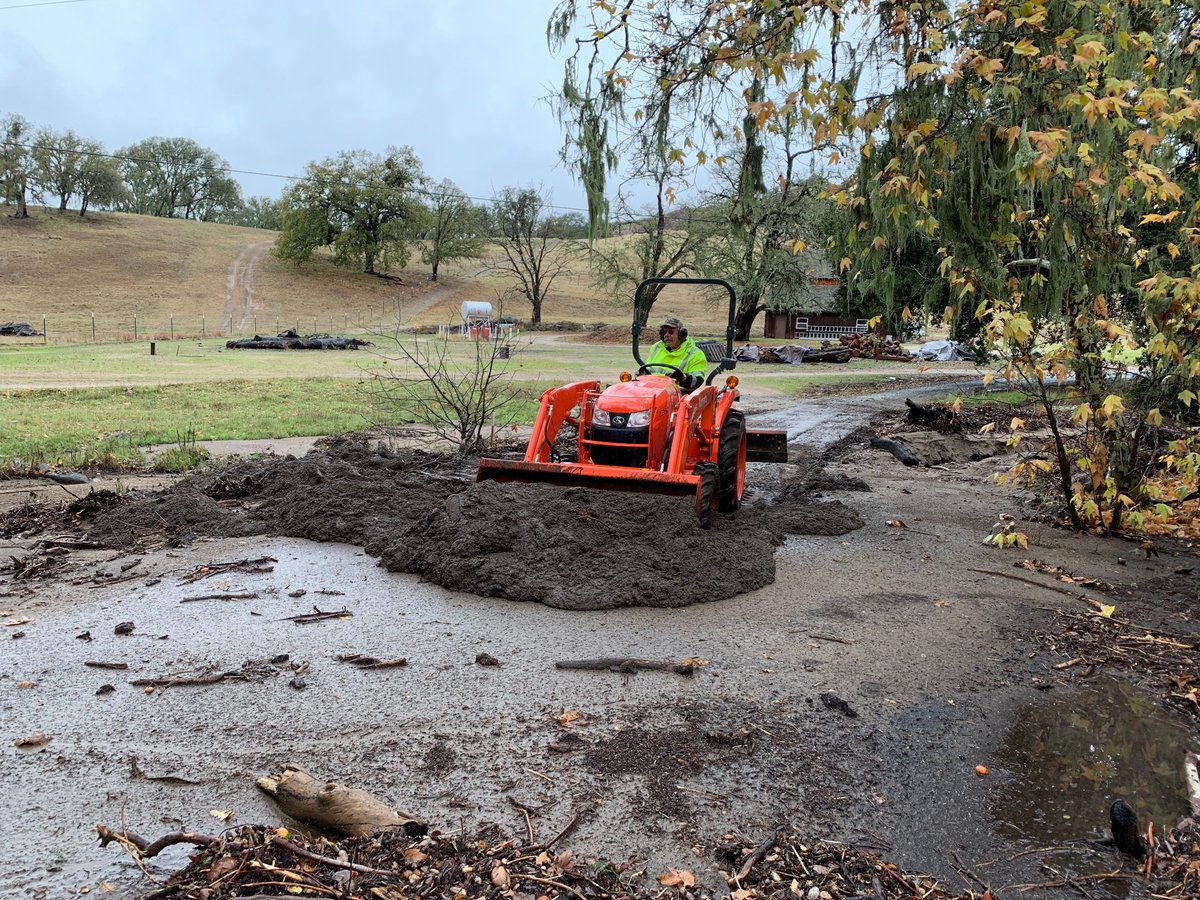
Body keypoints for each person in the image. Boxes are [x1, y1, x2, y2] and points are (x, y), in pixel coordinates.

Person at [645, 315, 707, 391]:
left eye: (670, 332)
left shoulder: (695, 354)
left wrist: (683, 378)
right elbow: (648, 370)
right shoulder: (656, 348)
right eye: (664, 332)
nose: (666, 335)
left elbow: (697, 382)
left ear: (681, 334)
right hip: (653, 391)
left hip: (678, 396)